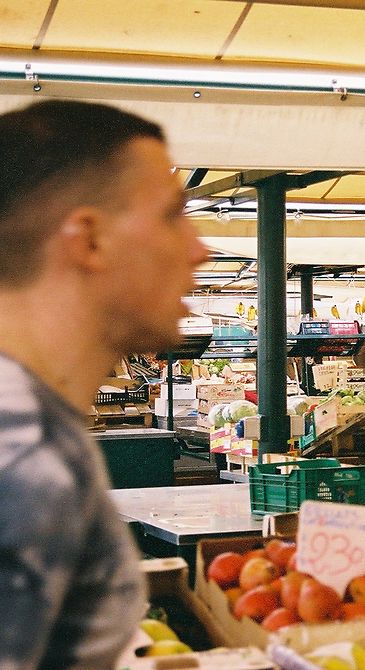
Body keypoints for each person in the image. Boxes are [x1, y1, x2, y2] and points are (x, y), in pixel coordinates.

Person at [0, 100, 208, 667]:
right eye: (172, 215)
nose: (199, 248)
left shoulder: (36, 428)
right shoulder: (25, 461)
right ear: (89, 239)